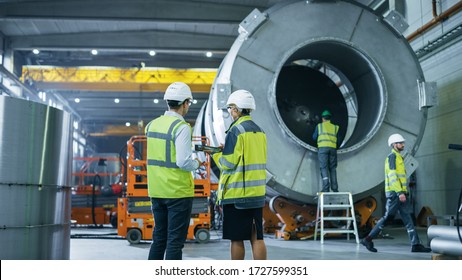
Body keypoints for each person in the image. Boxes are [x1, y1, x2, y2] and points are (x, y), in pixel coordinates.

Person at [145, 81, 203, 260]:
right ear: (185, 103)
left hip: (156, 191)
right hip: (177, 192)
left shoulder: (152, 125)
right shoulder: (181, 127)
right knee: (174, 243)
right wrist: (197, 164)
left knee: (159, 239)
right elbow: (183, 162)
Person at [210, 89, 267, 260]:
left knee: (237, 239)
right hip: (256, 194)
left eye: (230, 108)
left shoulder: (236, 131)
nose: (230, 112)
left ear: (236, 108)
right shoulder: (260, 131)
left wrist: (216, 154)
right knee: (256, 238)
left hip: (237, 195)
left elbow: (228, 164)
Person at [360, 133, 431, 253]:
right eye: (400, 143)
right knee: (387, 217)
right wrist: (399, 192)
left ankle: (416, 244)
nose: (403, 144)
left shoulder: (399, 158)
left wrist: (403, 192)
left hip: (401, 193)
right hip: (395, 194)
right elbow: (392, 176)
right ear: (394, 145)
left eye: (403, 142)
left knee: (408, 218)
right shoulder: (392, 157)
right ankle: (368, 239)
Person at [312, 110, 339, 192]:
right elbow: (338, 140)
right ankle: (335, 189)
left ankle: (326, 188)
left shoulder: (319, 126)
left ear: (323, 118)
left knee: (324, 168)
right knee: (333, 169)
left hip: (323, 149)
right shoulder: (335, 127)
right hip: (333, 149)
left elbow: (314, 137)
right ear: (330, 118)